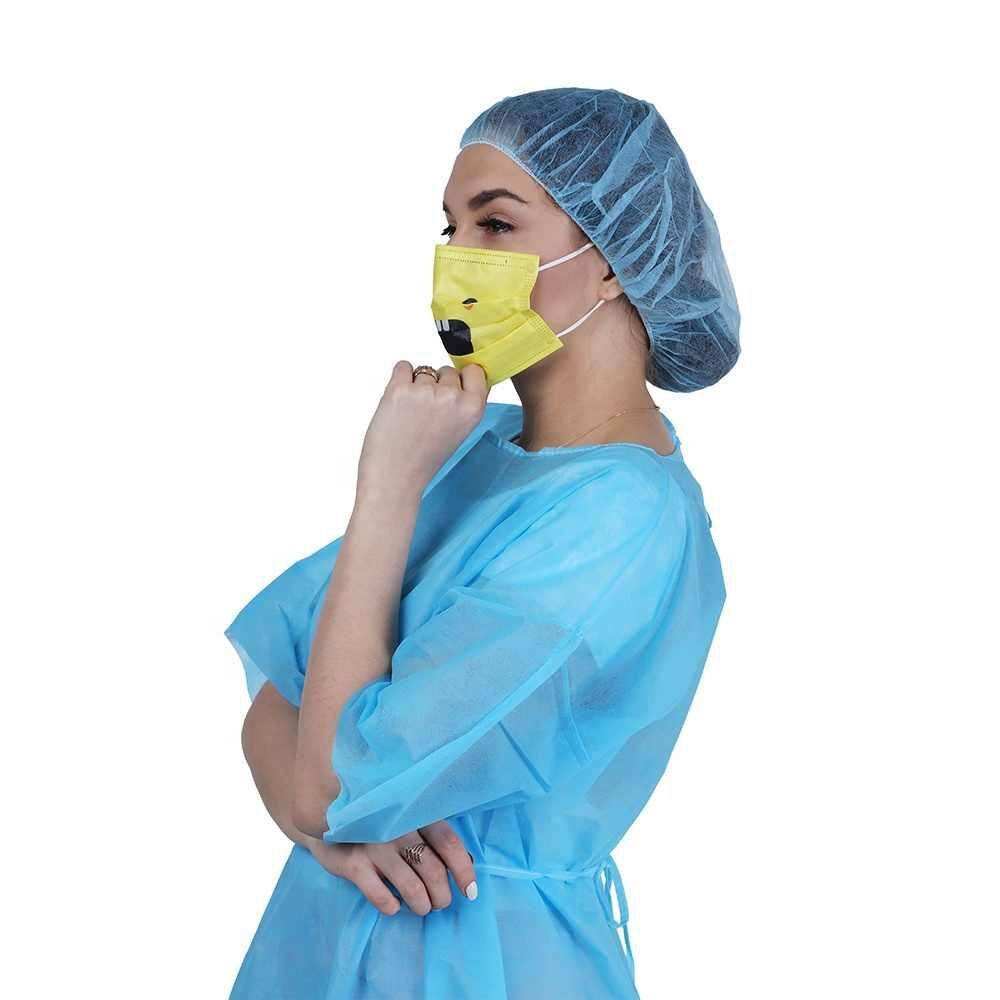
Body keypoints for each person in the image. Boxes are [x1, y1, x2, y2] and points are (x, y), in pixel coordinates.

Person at [224, 86, 740, 999]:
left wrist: (386, 492)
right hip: (319, 949)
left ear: (613, 258)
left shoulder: (622, 517)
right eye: (450, 225)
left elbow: (329, 778)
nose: (457, 257)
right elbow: (277, 694)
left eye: (495, 224)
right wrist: (330, 836)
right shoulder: (474, 449)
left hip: (485, 962)